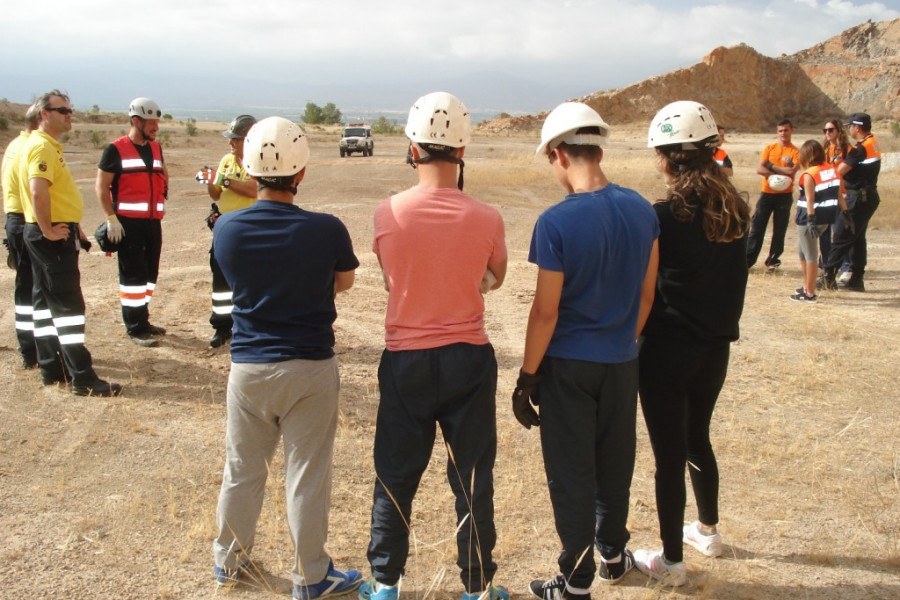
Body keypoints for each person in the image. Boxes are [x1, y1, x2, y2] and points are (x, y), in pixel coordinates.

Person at [359, 92, 509, 600]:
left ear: (412, 147)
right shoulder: (487, 216)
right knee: (471, 480)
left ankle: (385, 585)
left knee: (395, 474)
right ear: (462, 150)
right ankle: (476, 588)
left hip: (405, 359)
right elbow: (496, 276)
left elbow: (389, 277)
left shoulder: (388, 213)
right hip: (468, 355)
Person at [211, 116, 362, 600]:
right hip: (309, 367)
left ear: (250, 168)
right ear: (301, 173)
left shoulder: (228, 228)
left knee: (243, 468)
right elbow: (344, 282)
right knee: (306, 476)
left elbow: (237, 282)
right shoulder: (326, 229)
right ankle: (311, 576)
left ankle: (228, 563)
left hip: (249, 366)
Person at [514, 102, 659, 600]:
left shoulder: (556, 222)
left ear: (558, 154)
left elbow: (545, 312)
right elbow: (646, 297)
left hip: (569, 368)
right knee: (614, 466)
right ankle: (613, 558)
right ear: (597, 148)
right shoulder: (643, 209)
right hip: (622, 363)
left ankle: (575, 582)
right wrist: (621, 340)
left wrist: (527, 375)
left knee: (572, 474)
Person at [632, 101, 751, 586]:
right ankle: (707, 529)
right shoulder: (736, 208)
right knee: (697, 436)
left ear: (667, 156)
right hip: (714, 350)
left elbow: (644, 285)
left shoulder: (662, 214)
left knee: (668, 454)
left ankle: (672, 562)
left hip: (665, 351)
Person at [19, 89, 121, 396]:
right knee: (68, 307)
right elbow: (38, 191)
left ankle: (51, 367)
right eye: (62, 110)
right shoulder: (42, 147)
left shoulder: (46, 145)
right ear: (44, 114)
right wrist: (48, 228)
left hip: (48, 233)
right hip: (50, 237)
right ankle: (83, 377)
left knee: (44, 302)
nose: (69, 115)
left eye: (69, 110)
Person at [94, 98, 169, 347]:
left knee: (150, 274)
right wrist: (110, 218)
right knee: (133, 276)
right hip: (128, 224)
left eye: (157, 122)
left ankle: (143, 319)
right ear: (136, 121)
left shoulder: (156, 148)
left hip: (152, 223)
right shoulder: (115, 149)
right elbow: (101, 186)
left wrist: (162, 196)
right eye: (151, 122)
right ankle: (135, 328)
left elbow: (162, 174)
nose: (156, 126)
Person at [197, 114, 257, 348]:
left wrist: (225, 180)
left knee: (250, 280)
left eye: (235, 139)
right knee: (221, 280)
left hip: (250, 230)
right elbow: (217, 194)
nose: (230, 143)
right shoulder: (227, 161)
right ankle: (222, 327)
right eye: (230, 139)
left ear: (249, 140)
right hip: (224, 228)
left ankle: (248, 327)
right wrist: (212, 181)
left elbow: (254, 190)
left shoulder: (258, 162)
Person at [823, 112, 881, 292]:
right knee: (857, 238)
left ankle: (827, 277)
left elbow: (840, 170)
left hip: (858, 197)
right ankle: (856, 279)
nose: (849, 130)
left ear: (857, 127)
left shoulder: (860, 149)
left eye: (850, 127)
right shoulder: (873, 142)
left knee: (841, 235)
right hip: (868, 196)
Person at [2, 103, 40, 369]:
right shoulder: (30, 148)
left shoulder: (16, 144)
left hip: (16, 220)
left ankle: (31, 349)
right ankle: (33, 351)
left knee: (26, 289)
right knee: (32, 290)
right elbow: (35, 193)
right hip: (26, 220)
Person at [790, 140, 845, 304]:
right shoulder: (831, 169)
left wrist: (811, 220)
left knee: (810, 255)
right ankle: (807, 285)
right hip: (826, 217)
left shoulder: (809, 174)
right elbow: (839, 194)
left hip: (808, 219)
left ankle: (809, 294)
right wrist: (846, 212)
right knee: (801, 250)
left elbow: (810, 199)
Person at [745, 119, 799, 271]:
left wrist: (770, 166)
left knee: (779, 228)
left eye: (786, 130)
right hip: (767, 193)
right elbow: (760, 169)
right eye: (780, 131)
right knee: (757, 226)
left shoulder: (794, 151)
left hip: (784, 195)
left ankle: (773, 260)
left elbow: (791, 171)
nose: (783, 133)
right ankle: (748, 260)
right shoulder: (770, 148)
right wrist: (775, 170)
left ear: (791, 131)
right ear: (777, 132)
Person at [820, 119, 852, 283]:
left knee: (839, 232)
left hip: (841, 194)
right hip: (826, 193)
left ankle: (846, 266)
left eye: (831, 129)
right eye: (825, 130)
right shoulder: (824, 149)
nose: (827, 133)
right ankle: (827, 265)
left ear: (839, 130)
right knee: (824, 232)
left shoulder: (847, 150)